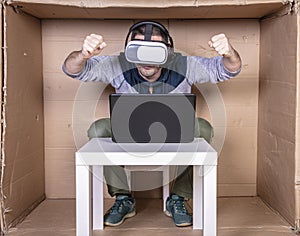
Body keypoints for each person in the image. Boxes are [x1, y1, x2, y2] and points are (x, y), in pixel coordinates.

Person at [62, 20, 242, 227]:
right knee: (98, 129)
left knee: (203, 128)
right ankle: (123, 199)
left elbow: (228, 70)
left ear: (168, 51)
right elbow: (73, 70)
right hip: (127, 129)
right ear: (130, 49)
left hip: (176, 131)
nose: (146, 58)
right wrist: (83, 55)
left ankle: (178, 198)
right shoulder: (117, 64)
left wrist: (229, 53)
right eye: (139, 49)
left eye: (154, 50)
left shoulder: (185, 65)